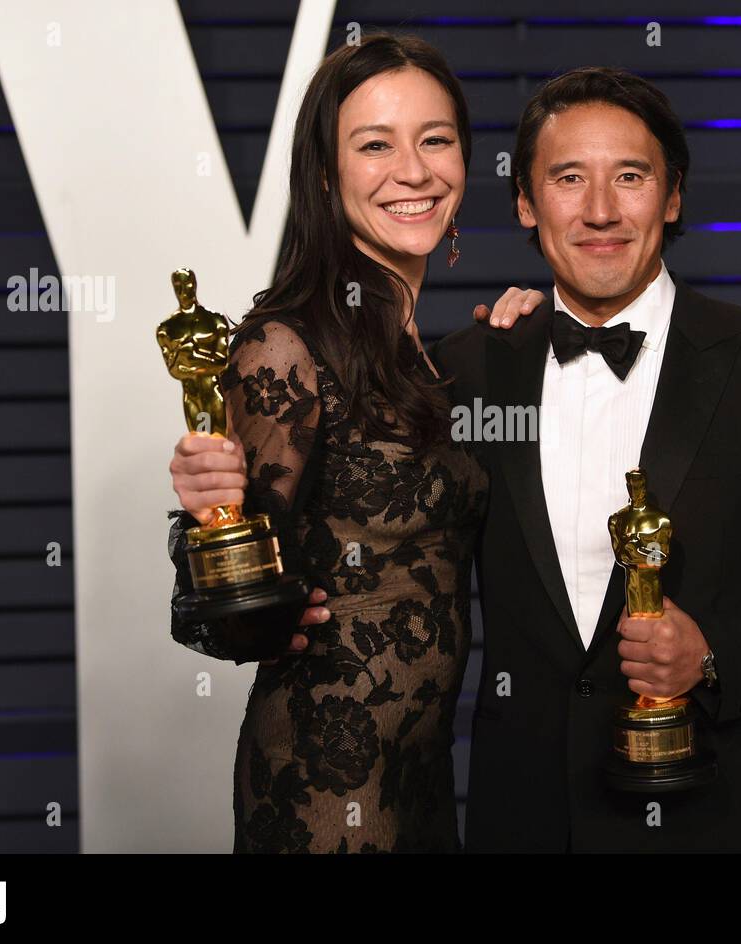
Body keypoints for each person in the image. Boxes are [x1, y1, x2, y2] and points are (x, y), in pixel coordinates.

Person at [432, 67, 741, 852]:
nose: (599, 211)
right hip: (522, 818)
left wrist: (715, 651)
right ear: (525, 202)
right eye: (567, 179)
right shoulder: (468, 371)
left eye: (630, 177)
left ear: (673, 195)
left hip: (719, 816)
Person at [163, 34, 541, 853]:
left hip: (426, 774)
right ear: (327, 177)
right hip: (326, 778)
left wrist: (528, 343)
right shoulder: (285, 346)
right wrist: (209, 515)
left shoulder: (427, 357)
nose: (413, 170)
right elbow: (235, 614)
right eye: (376, 145)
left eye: (435, 140)